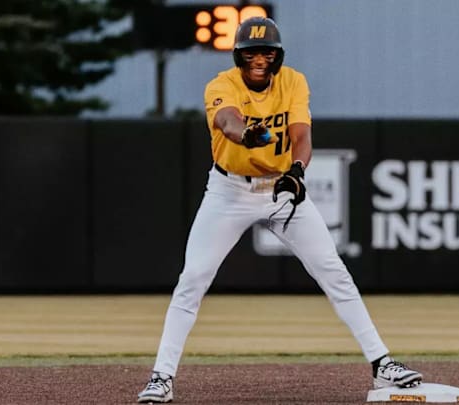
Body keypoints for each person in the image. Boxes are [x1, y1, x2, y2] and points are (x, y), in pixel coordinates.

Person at [137, 16, 422, 403]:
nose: (259, 58)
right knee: (193, 280)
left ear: (277, 56)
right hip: (229, 191)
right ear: (238, 56)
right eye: (251, 52)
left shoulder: (293, 81)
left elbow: (301, 135)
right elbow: (227, 120)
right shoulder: (222, 85)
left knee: (333, 271)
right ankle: (162, 377)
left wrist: (298, 172)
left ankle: (382, 364)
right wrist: (247, 134)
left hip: (281, 189)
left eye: (266, 51)